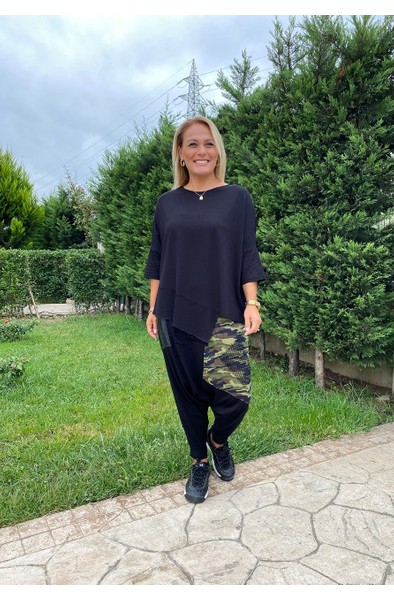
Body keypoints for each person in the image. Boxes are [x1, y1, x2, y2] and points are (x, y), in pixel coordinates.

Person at [144, 115, 265, 504]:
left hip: (224, 310)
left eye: (208, 143)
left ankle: (218, 440)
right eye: (193, 144)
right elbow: (157, 259)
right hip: (174, 312)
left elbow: (247, 253)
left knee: (235, 397)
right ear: (180, 153)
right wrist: (153, 308)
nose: (201, 151)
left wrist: (251, 302)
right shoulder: (167, 204)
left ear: (218, 152)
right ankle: (199, 461)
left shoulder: (237, 198)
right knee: (189, 394)